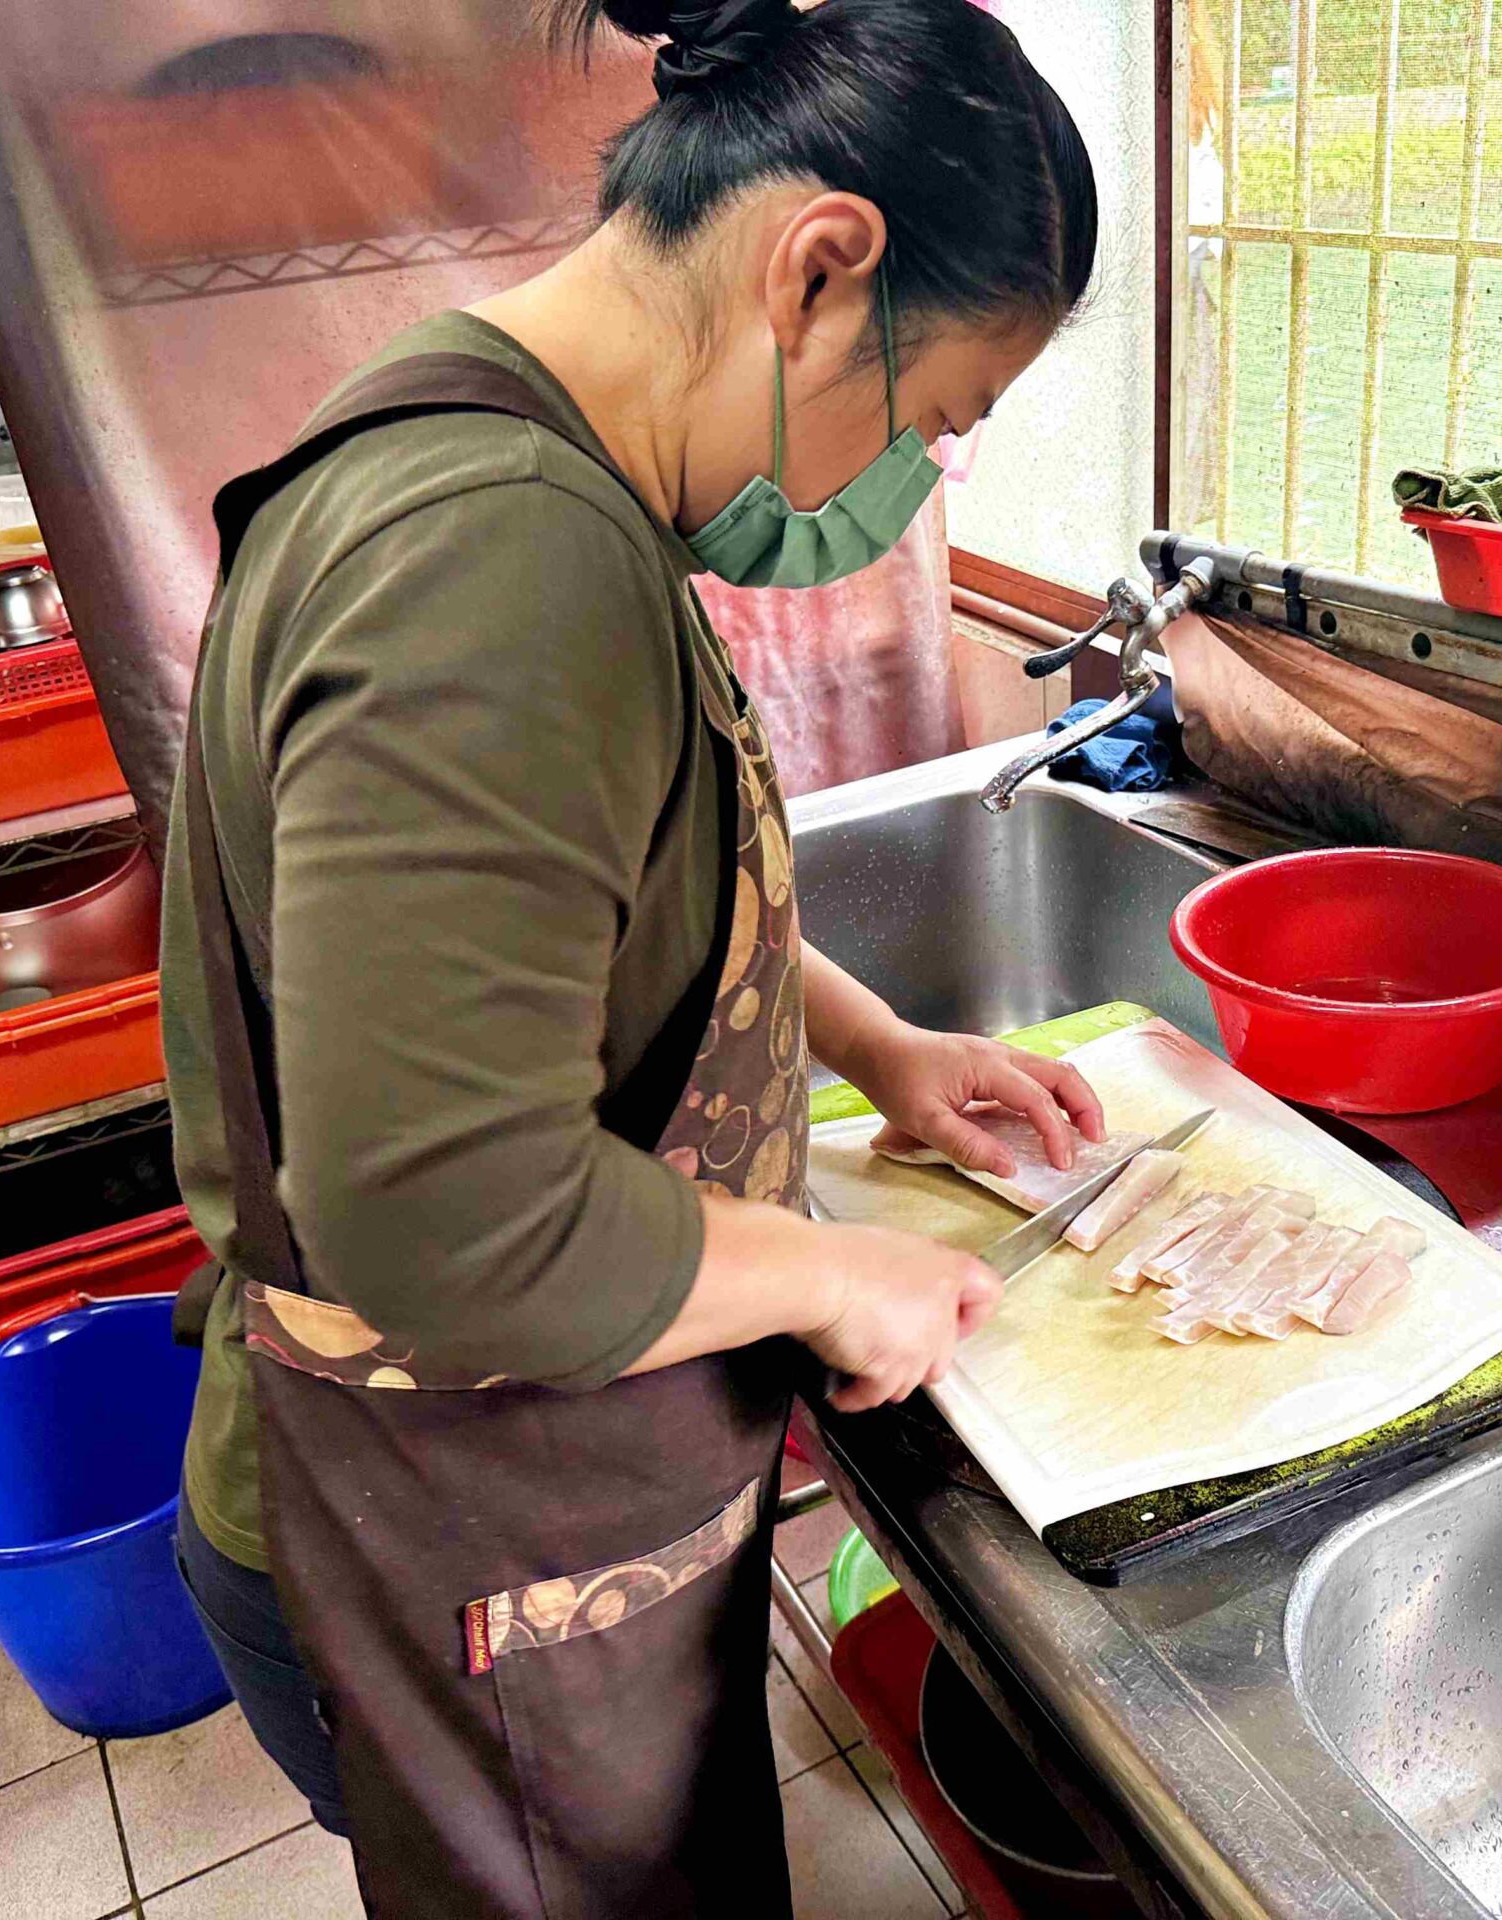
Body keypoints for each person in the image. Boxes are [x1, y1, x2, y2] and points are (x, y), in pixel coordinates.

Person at [159, 0, 1102, 1911]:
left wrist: (878, 1044)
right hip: (436, 1535)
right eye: (931, 419)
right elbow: (445, 1215)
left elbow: (596, 910)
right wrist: (836, 1273)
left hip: (507, 1523)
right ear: (821, 267)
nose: (907, 481)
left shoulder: (510, 459)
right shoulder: (496, 562)